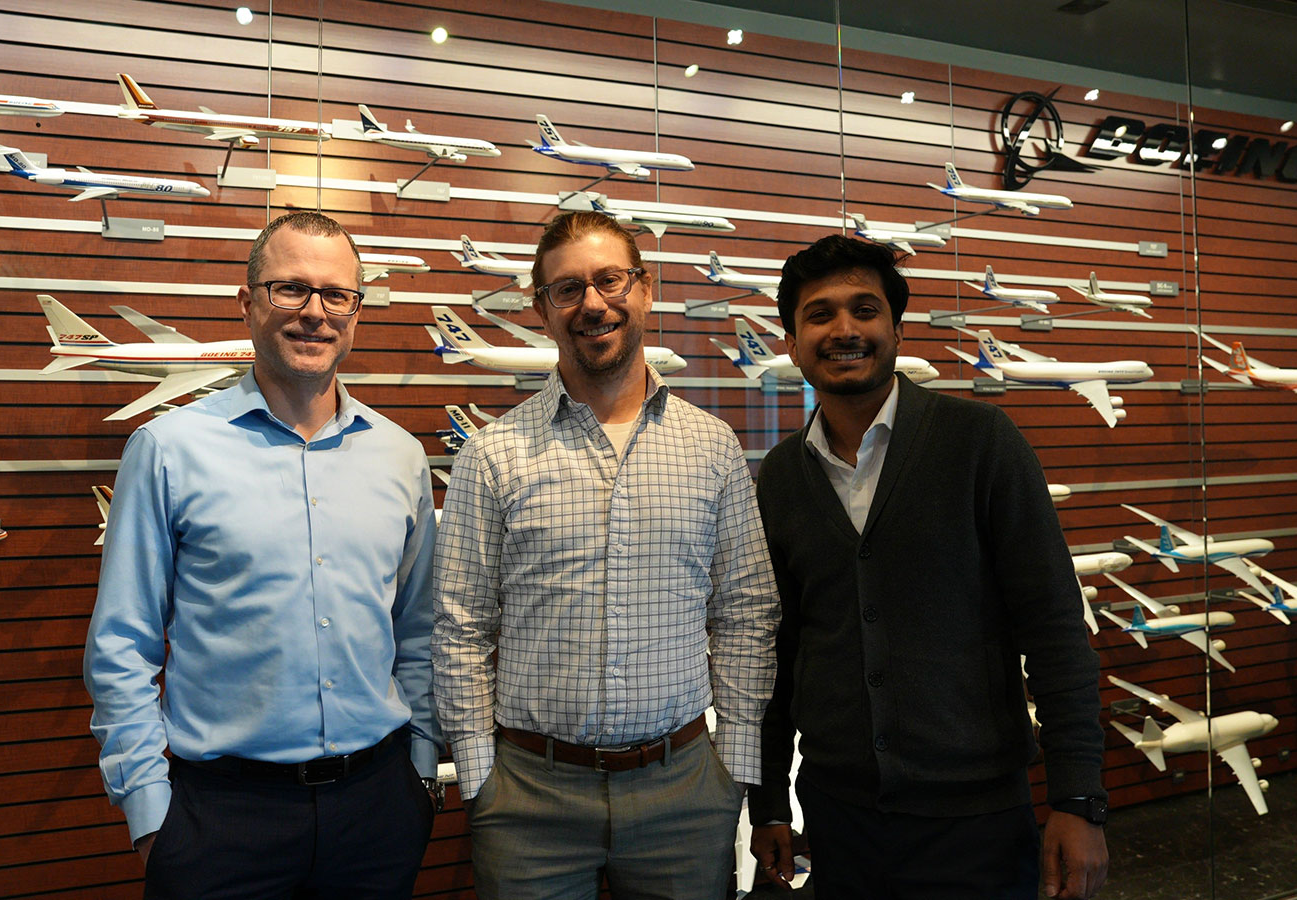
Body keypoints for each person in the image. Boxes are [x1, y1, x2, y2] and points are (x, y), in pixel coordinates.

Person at [84, 211, 443, 900]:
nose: (316, 312)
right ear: (247, 302)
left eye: (337, 295)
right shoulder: (168, 450)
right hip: (220, 821)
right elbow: (121, 647)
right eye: (291, 290)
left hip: (378, 812)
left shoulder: (400, 455)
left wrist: (421, 774)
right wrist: (151, 818)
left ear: (357, 312)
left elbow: (418, 633)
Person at [747, 234, 1109, 900]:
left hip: (977, 824)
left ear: (895, 327)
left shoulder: (981, 442)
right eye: (819, 314)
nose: (844, 329)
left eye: (865, 309)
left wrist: (1077, 797)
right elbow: (776, 652)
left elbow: (1056, 629)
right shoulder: (781, 478)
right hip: (837, 818)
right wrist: (769, 802)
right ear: (793, 343)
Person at [433, 210, 779, 900]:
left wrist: (733, 767)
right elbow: (460, 625)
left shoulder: (712, 449)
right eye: (567, 290)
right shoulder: (492, 455)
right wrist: (481, 781)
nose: (592, 303)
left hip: (684, 790)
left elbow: (746, 610)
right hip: (529, 799)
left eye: (610, 280)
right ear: (542, 309)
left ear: (644, 290)